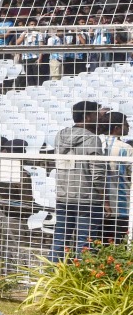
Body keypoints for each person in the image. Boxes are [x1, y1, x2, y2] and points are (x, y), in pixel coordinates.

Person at [52, 100, 107, 261]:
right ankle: (83, 276)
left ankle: (50, 274)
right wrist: (102, 194)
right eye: (97, 115)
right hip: (87, 198)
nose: (99, 118)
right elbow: (97, 171)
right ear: (88, 117)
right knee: (85, 243)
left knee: (59, 240)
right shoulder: (92, 139)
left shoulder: (60, 136)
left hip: (63, 196)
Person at [102, 111, 131, 246]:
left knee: (99, 243)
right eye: (126, 124)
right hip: (120, 205)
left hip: (98, 205)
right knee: (119, 244)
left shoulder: (97, 144)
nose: (128, 126)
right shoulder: (126, 149)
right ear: (117, 128)